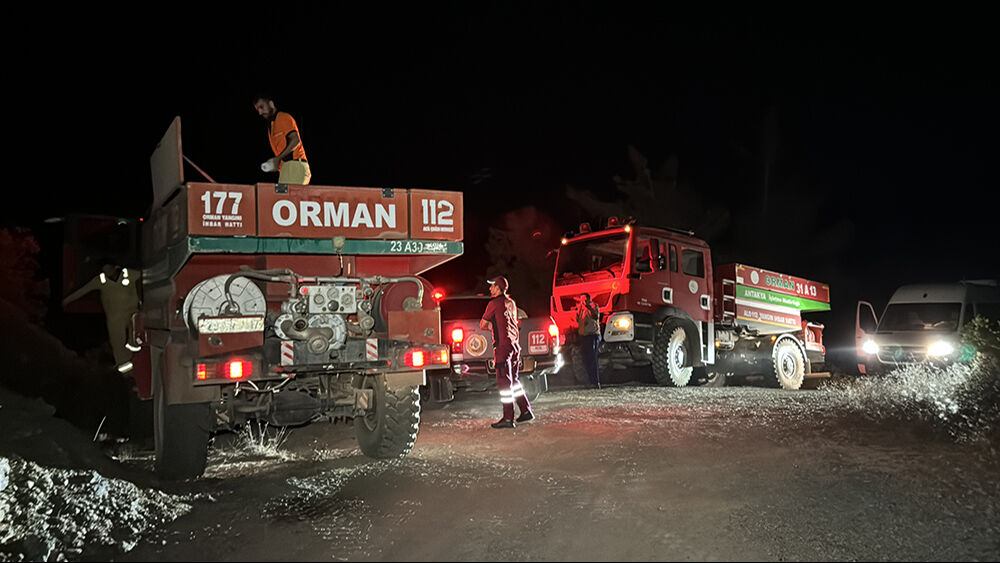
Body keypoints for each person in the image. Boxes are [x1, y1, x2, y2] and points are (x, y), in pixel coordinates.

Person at [62, 264, 142, 373]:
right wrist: (66, 300)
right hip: (115, 318)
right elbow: (83, 290)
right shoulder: (100, 280)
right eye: (104, 269)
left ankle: (139, 357)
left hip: (131, 312)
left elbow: (144, 276)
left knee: (135, 335)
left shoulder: (127, 274)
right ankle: (127, 372)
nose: (107, 271)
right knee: (118, 344)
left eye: (109, 268)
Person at [480, 275, 533, 428]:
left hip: (502, 347)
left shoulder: (494, 303)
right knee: (514, 381)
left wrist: (493, 327)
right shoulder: (511, 303)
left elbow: (483, 323)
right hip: (515, 346)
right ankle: (525, 410)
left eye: (492, 286)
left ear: (499, 288)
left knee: (504, 383)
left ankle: (508, 418)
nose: (490, 288)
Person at [253, 94, 311, 185]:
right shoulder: (272, 125)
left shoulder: (283, 118)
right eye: (258, 110)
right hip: (285, 170)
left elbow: (295, 140)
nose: (260, 112)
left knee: (288, 198)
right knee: (279, 197)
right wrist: (275, 163)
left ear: (271, 104)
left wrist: (278, 159)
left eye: (261, 107)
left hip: (295, 166)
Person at [576, 293, 601, 388]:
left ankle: (596, 382)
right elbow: (579, 320)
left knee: (592, 359)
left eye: (584, 300)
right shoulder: (581, 309)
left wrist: (589, 308)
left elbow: (596, 316)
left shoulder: (594, 306)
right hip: (584, 335)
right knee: (586, 359)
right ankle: (589, 381)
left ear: (589, 299)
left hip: (593, 335)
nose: (583, 302)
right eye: (581, 300)